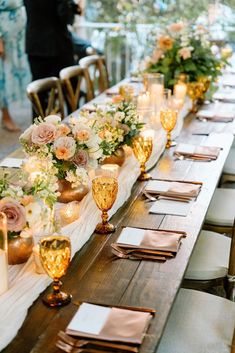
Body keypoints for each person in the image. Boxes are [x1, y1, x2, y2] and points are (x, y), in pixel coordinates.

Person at [24, 0, 81, 81]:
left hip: (34, 44)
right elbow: (65, 16)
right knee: (67, 87)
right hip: (57, 45)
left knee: (40, 88)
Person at [0, 0, 30, 131]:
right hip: (4, 35)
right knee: (3, 74)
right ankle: (5, 116)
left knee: (14, 72)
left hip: (19, 34)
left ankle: (9, 113)